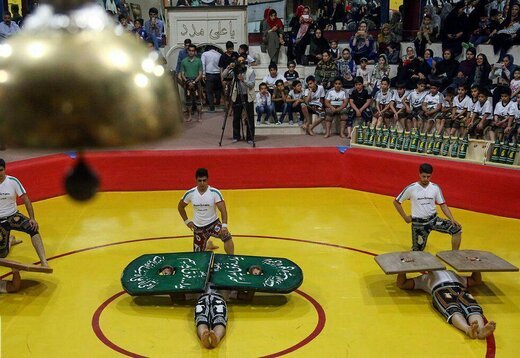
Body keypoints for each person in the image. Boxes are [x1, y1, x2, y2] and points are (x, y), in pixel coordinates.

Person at [397, 268, 496, 340]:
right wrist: (403, 269)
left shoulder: (452, 273)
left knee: (473, 307)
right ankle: (467, 329)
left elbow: (476, 280)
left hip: (460, 288)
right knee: (452, 309)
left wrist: (475, 266)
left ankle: (481, 329)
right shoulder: (424, 278)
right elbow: (402, 284)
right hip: (440, 289)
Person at [393, 163, 462, 251]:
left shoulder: (435, 188)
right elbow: (396, 202)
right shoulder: (411, 188)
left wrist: (452, 219)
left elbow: (443, 205)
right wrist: (405, 217)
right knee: (417, 252)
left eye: (428, 177)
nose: (426, 179)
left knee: (457, 230)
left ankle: (454, 255)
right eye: (424, 176)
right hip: (419, 224)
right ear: (419, 175)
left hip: (434, 220)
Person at [0, 159, 49, 266]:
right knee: (2, 254)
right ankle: (9, 241)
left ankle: (44, 261)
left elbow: (26, 199)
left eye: (1, 170)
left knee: (33, 228)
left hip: (12, 216)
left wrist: (32, 218)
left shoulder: (13, 181)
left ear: (5, 169)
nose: (0, 173)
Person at [178, 168, 234, 254]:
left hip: (213, 224)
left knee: (227, 237)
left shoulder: (214, 193)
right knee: (198, 256)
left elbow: (223, 210)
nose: (202, 183)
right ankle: (208, 245)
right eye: (199, 181)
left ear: (208, 180)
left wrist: (224, 225)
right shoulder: (190, 193)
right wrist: (187, 221)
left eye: (204, 180)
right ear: (196, 180)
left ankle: (232, 259)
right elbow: (180, 207)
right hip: (198, 228)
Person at [222, 55, 256, 144]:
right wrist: (229, 67)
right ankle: (236, 136)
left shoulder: (251, 71)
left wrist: (243, 80)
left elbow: (252, 84)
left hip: (247, 96)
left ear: (245, 62)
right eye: (239, 61)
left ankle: (250, 137)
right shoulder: (235, 71)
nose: (241, 63)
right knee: (236, 117)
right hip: (237, 96)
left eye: (242, 61)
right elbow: (224, 76)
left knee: (249, 117)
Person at [180, 44, 203, 122]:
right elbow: (182, 74)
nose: (191, 52)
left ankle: (199, 116)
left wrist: (194, 82)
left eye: (193, 51)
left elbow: (200, 73)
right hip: (187, 82)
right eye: (190, 50)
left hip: (196, 82)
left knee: (198, 100)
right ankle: (189, 116)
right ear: (187, 51)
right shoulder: (183, 61)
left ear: (195, 52)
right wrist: (187, 81)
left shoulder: (198, 61)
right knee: (188, 101)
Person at [201, 46, 222, 112]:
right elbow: (221, 65)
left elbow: (203, 64)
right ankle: (218, 102)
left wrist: (203, 74)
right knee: (218, 89)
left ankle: (211, 107)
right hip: (218, 73)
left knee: (209, 91)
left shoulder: (205, 54)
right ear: (216, 49)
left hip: (209, 73)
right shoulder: (219, 54)